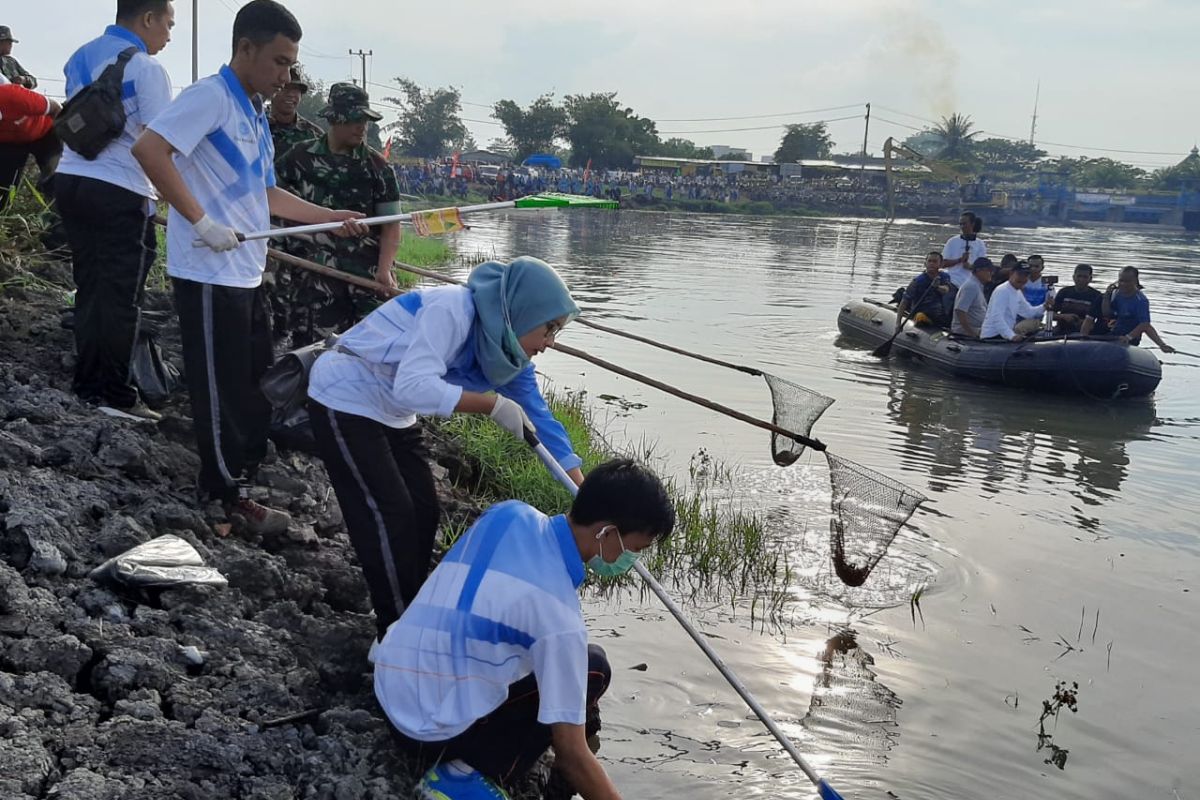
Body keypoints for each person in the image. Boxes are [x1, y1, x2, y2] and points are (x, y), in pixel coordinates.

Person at [132, 0, 368, 532]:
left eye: (291, 64)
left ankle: (238, 474)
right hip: (208, 270)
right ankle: (220, 498)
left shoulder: (253, 112)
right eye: (280, 62)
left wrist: (329, 217)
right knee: (216, 386)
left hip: (244, 269)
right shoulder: (209, 98)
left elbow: (265, 194)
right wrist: (199, 220)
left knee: (249, 382)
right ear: (246, 49)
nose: (287, 75)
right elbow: (149, 150)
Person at [307, 256, 585, 641]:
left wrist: (584, 495)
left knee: (424, 509)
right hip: (347, 392)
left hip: (393, 411)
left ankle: (409, 609)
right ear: (523, 312)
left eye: (557, 332)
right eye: (549, 328)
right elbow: (412, 386)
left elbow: (545, 428)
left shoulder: (509, 358)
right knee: (391, 513)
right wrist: (490, 405)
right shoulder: (454, 310)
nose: (550, 343)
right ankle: (393, 632)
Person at [376, 458, 675, 800]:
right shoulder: (559, 616)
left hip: (391, 685)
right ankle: (461, 778)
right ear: (606, 532)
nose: (631, 560)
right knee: (592, 669)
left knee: (572, 664)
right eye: (634, 549)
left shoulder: (508, 514)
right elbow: (572, 754)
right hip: (426, 732)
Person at [54, 0, 175, 421]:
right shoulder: (147, 68)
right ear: (147, 19)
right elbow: (158, 146)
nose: (169, 35)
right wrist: (182, 205)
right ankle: (117, 396)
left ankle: (88, 385)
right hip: (119, 188)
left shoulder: (79, 56)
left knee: (90, 287)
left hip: (70, 181)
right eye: (168, 24)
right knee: (123, 295)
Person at [271, 81, 400, 345]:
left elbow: (391, 225)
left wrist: (385, 271)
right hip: (311, 276)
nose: (361, 127)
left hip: (364, 276)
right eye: (354, 120)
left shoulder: (377, 167)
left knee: (368, 350)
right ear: (335, 119)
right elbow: (271, 204)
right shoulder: (299, 157)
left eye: (365, 120)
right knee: (311, 350)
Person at [0, 83, 60, 207]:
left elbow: (56, 108)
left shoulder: (14, 96)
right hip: (11, 143)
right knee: (5, 186)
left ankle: (58, 214)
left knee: (55, 177)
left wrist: (65, 141)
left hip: (46, 133)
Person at [1101, 266, 1174, 353]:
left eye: (1127, 281)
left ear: (1135, 281)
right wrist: (1107, 295)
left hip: (1131, 338)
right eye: (1121, 281)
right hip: (1114, 334)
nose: (1123, 284)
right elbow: (1106, 313)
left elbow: (1145, 324)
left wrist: (1161, 344)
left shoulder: (1140, 300)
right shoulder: (1116, 294)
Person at [981, 261, 1047, 341]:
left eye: (1026, 275)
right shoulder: (1002, 291)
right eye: (1020, 274)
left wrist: (1044, 306)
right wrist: (1012, 336)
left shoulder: (1017, 292)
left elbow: (1028, 312)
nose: (1023, 278)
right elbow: (997, 317)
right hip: (992, 337)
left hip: (1004, 336)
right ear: (1011, 273)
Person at [267, 64, 321, 160]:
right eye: (285, 88)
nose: (291, 94)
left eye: (296, 90)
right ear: (273, 91)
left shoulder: (313, 134)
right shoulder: (257, 126)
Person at [896, 251, 952, 328]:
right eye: (929, 261)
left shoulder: (944, 276)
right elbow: (904, 301)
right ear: (925, 263)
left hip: (938, 313)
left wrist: (937, 287)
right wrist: (898, 323)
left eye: (935, 261)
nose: (931, 264)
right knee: (920, 317)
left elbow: (946, 290)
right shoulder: (918, 281)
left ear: (941, 264)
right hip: (921, 313)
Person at [1052, 263, 1105, 336]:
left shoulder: (1097, 296)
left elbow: (1101, 322)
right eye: (1079, 276)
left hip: (1083, 332)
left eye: (1085, 277)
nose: (1081, 280)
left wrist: (1083, 322)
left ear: (1090, 278)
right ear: (1073, 277)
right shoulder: (1064, 292)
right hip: (1061, 329)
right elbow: (1051, 315)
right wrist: (1064, 316)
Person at [941, 211, 987, 288]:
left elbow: (982, 268)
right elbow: (942, 264)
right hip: (953, 282)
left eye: (964, 224)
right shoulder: (952, 241)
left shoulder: (980, 244)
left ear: (972, 224)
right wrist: (959, 260)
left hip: (972, 284)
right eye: (960, 224)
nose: (962, 226)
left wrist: (970, 267)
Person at [951, 256, 994, 338]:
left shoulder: (977, 285)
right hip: (965, 331)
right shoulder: (971, 287)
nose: (991, 273)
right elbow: (960, 311)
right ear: (978, 271)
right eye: (989, 270)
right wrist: (971, 333)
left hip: (979, 328)